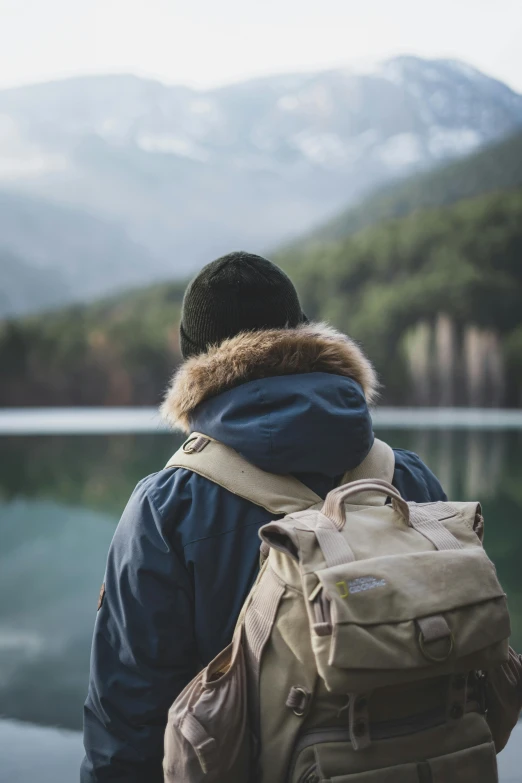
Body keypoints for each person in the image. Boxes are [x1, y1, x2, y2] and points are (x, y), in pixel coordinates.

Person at [81, 251, 521, 782]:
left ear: (191, 360)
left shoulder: (167, 506)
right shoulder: (408, 477)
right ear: (305, 335)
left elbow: (127, 723)